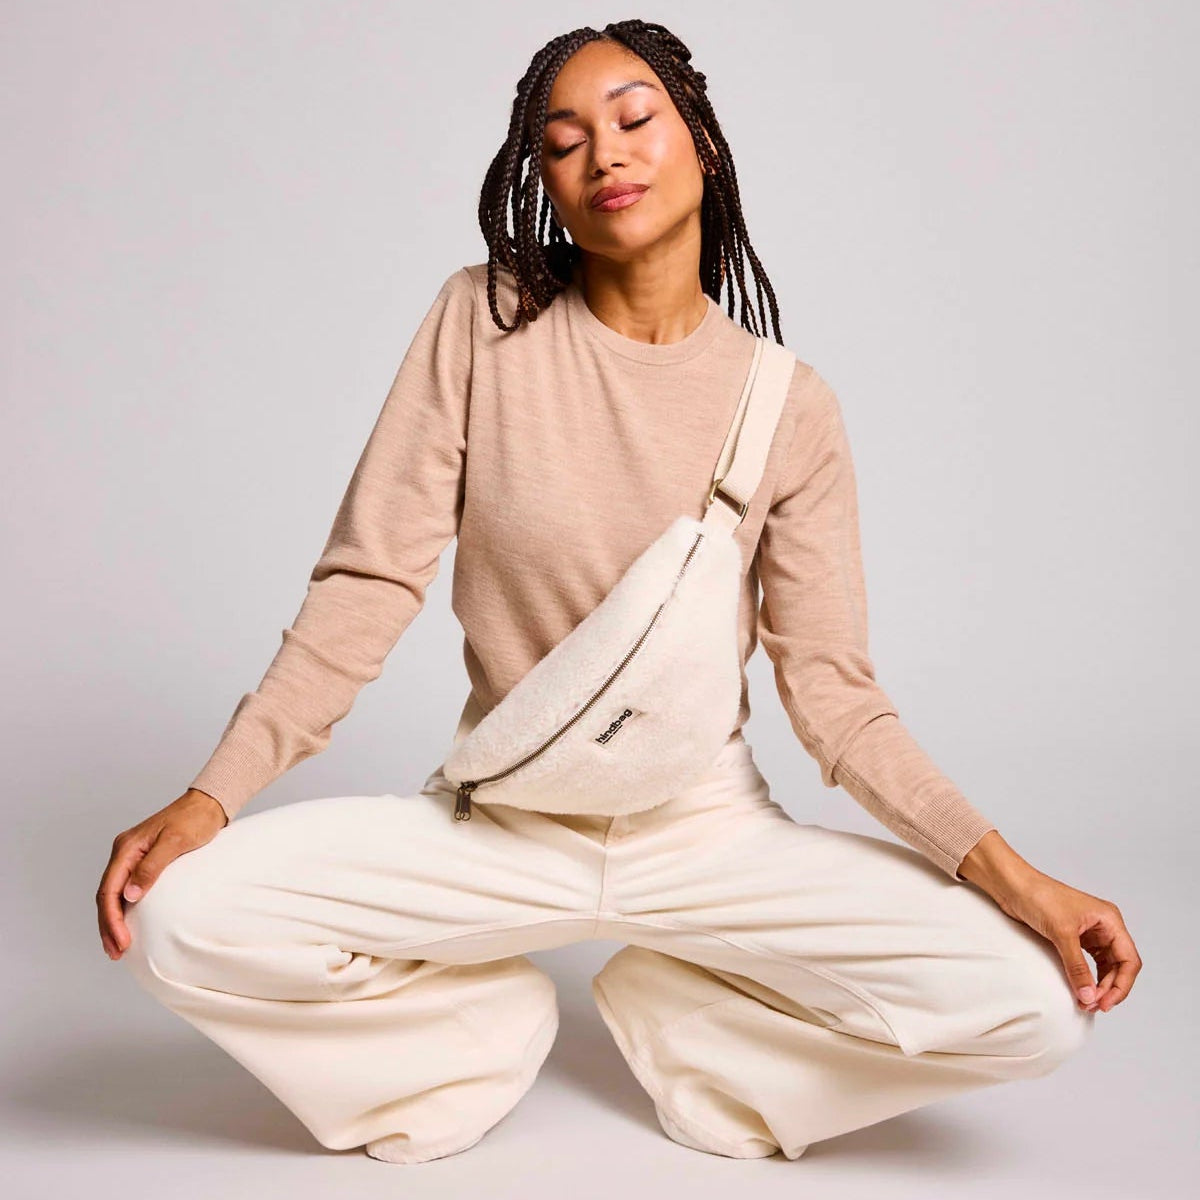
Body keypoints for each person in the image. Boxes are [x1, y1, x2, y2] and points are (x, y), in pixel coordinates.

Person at [97, 20, 1141, 1164]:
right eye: (563, 142)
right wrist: (211, 797)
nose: (605, 155)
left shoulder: (789, 406)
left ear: (703, 143)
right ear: (543, 180)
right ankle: (476, 1036)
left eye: (636, 118)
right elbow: (368, 585)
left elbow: (838, 701)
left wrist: (1017, 879)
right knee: (175, 918)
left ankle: (692, 1030)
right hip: (500, 824)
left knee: (1035, 1006)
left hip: (707, 836)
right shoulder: (482, 322)